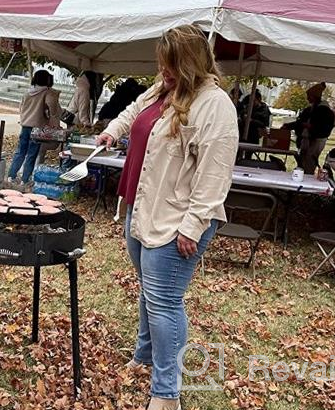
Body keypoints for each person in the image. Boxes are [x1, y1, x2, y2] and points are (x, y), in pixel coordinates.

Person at [95, 25, 238, 410]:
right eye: (161, 65)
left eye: (171, 66)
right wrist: (112, 131)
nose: (164, 72)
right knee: (148, 291)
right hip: (143, 208)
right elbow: (132, 112)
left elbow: (215, 173)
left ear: (191, 64)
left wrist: (193, 227)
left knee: (164, 303)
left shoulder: (215, 105)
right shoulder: (163, 88)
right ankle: (144, 355)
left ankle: (166, 394)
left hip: (177, 221)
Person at [8, 70, 62, 186]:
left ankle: (11, 176)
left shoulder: (28, 92)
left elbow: (21, 108)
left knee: (20, 152)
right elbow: (52, 106)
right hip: (37, 127)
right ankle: (25, 179)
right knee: (32, 154)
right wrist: (51, 113)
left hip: (25, 125)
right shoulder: (46, 92)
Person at [282, 82, 335, 174]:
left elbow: (324, 127)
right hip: (306, 139)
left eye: (309, 96)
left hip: (317, 139)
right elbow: (300, 122)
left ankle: (307, 178)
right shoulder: (310, 109)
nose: (307, 98)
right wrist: (288, 126)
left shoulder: (325, 111)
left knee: (309, 162)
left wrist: (311, 127)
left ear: (314, 97)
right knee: (302, 161)